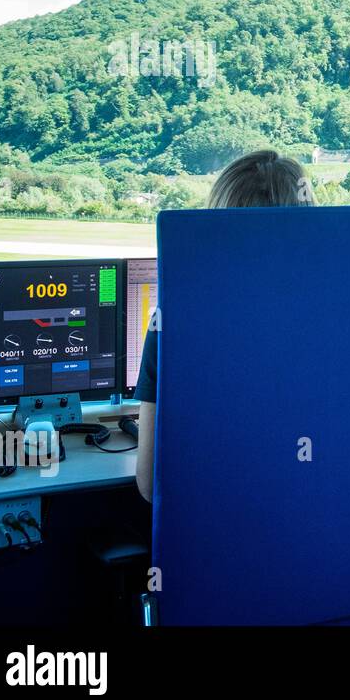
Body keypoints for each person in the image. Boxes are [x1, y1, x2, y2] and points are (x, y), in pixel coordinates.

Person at [134, 150, 315, 502]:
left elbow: (151, 482)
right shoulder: (348, 326)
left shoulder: (173, 325)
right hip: (336, 547)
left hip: (210, 552)